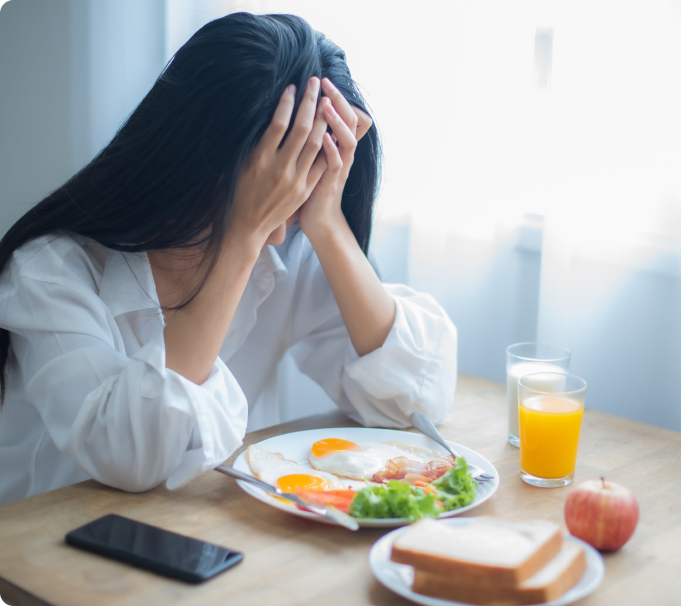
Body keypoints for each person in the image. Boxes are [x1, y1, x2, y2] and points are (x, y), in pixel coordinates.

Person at [0, 13, 457, 505]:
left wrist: (327, 222)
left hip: (199, 533)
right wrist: (242, 235)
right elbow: (131, 458)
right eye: (272, 188)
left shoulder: (288, 246)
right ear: (193, 160)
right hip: (47, 547)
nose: (282, 229)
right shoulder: (49, 271)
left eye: (302, 189)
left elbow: (414, 399)